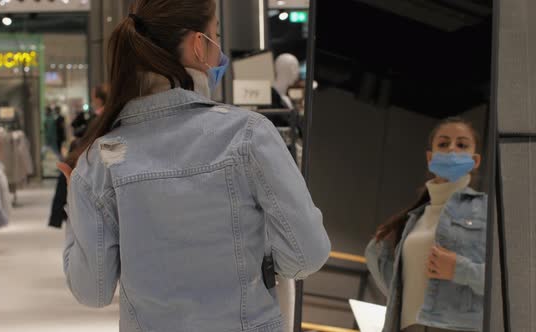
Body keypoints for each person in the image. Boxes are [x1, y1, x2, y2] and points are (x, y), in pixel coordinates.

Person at [57, 1, 331, 331]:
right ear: (198, 45)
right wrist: (254, 263)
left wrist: (77, 205)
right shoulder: (248, 135)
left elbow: (93, 290)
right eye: (216, 34)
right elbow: (307, 254)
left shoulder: (99, 160)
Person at [365, 117, 487, 332]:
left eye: (461, 144)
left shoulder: (486, 210)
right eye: (443, 143)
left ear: (475, 160)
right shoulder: (413, 219)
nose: (451, 149)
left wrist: (460, 269)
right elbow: (395, 284)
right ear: (430, 157)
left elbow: (505, 284)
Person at [49, 85, 108, 229]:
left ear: (98, 99)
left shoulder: (103, 118)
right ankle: (58, 215)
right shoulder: (97, 117)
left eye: (94, 97)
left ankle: (57, 215)